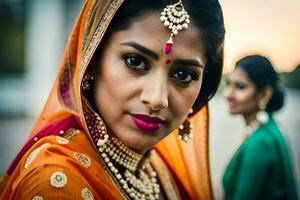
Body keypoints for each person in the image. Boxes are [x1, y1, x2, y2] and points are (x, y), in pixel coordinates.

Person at [0, 0, 225, 199]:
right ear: (93, 60)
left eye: (184, 75)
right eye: (135, 61)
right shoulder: (56, 180)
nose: (157, 99)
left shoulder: (156, 169)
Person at [223, 55, 298, 200]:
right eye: (228, 84)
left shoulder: (261, 142)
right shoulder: (267, 128)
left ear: (264, 94)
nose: (228, 94)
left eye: (240, 87)